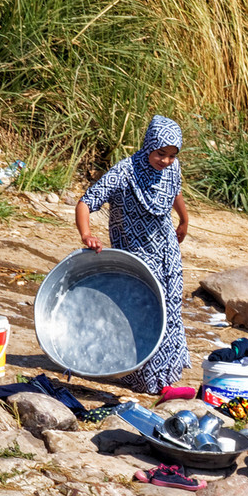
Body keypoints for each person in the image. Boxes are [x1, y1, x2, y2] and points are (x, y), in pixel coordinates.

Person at [75, 116, 191, 394]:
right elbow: (85, 202)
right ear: (148, 145)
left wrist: (184, 219)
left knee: (171, 306)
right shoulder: (125, 172)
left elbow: (175, 191)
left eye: (172, 156)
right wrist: (86, 234)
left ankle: (165, 378)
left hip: (166, 249)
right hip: (136, 251)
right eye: (160, 153)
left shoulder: (171, 169)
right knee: (147, 309)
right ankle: (145, 378)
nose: (165, 161)